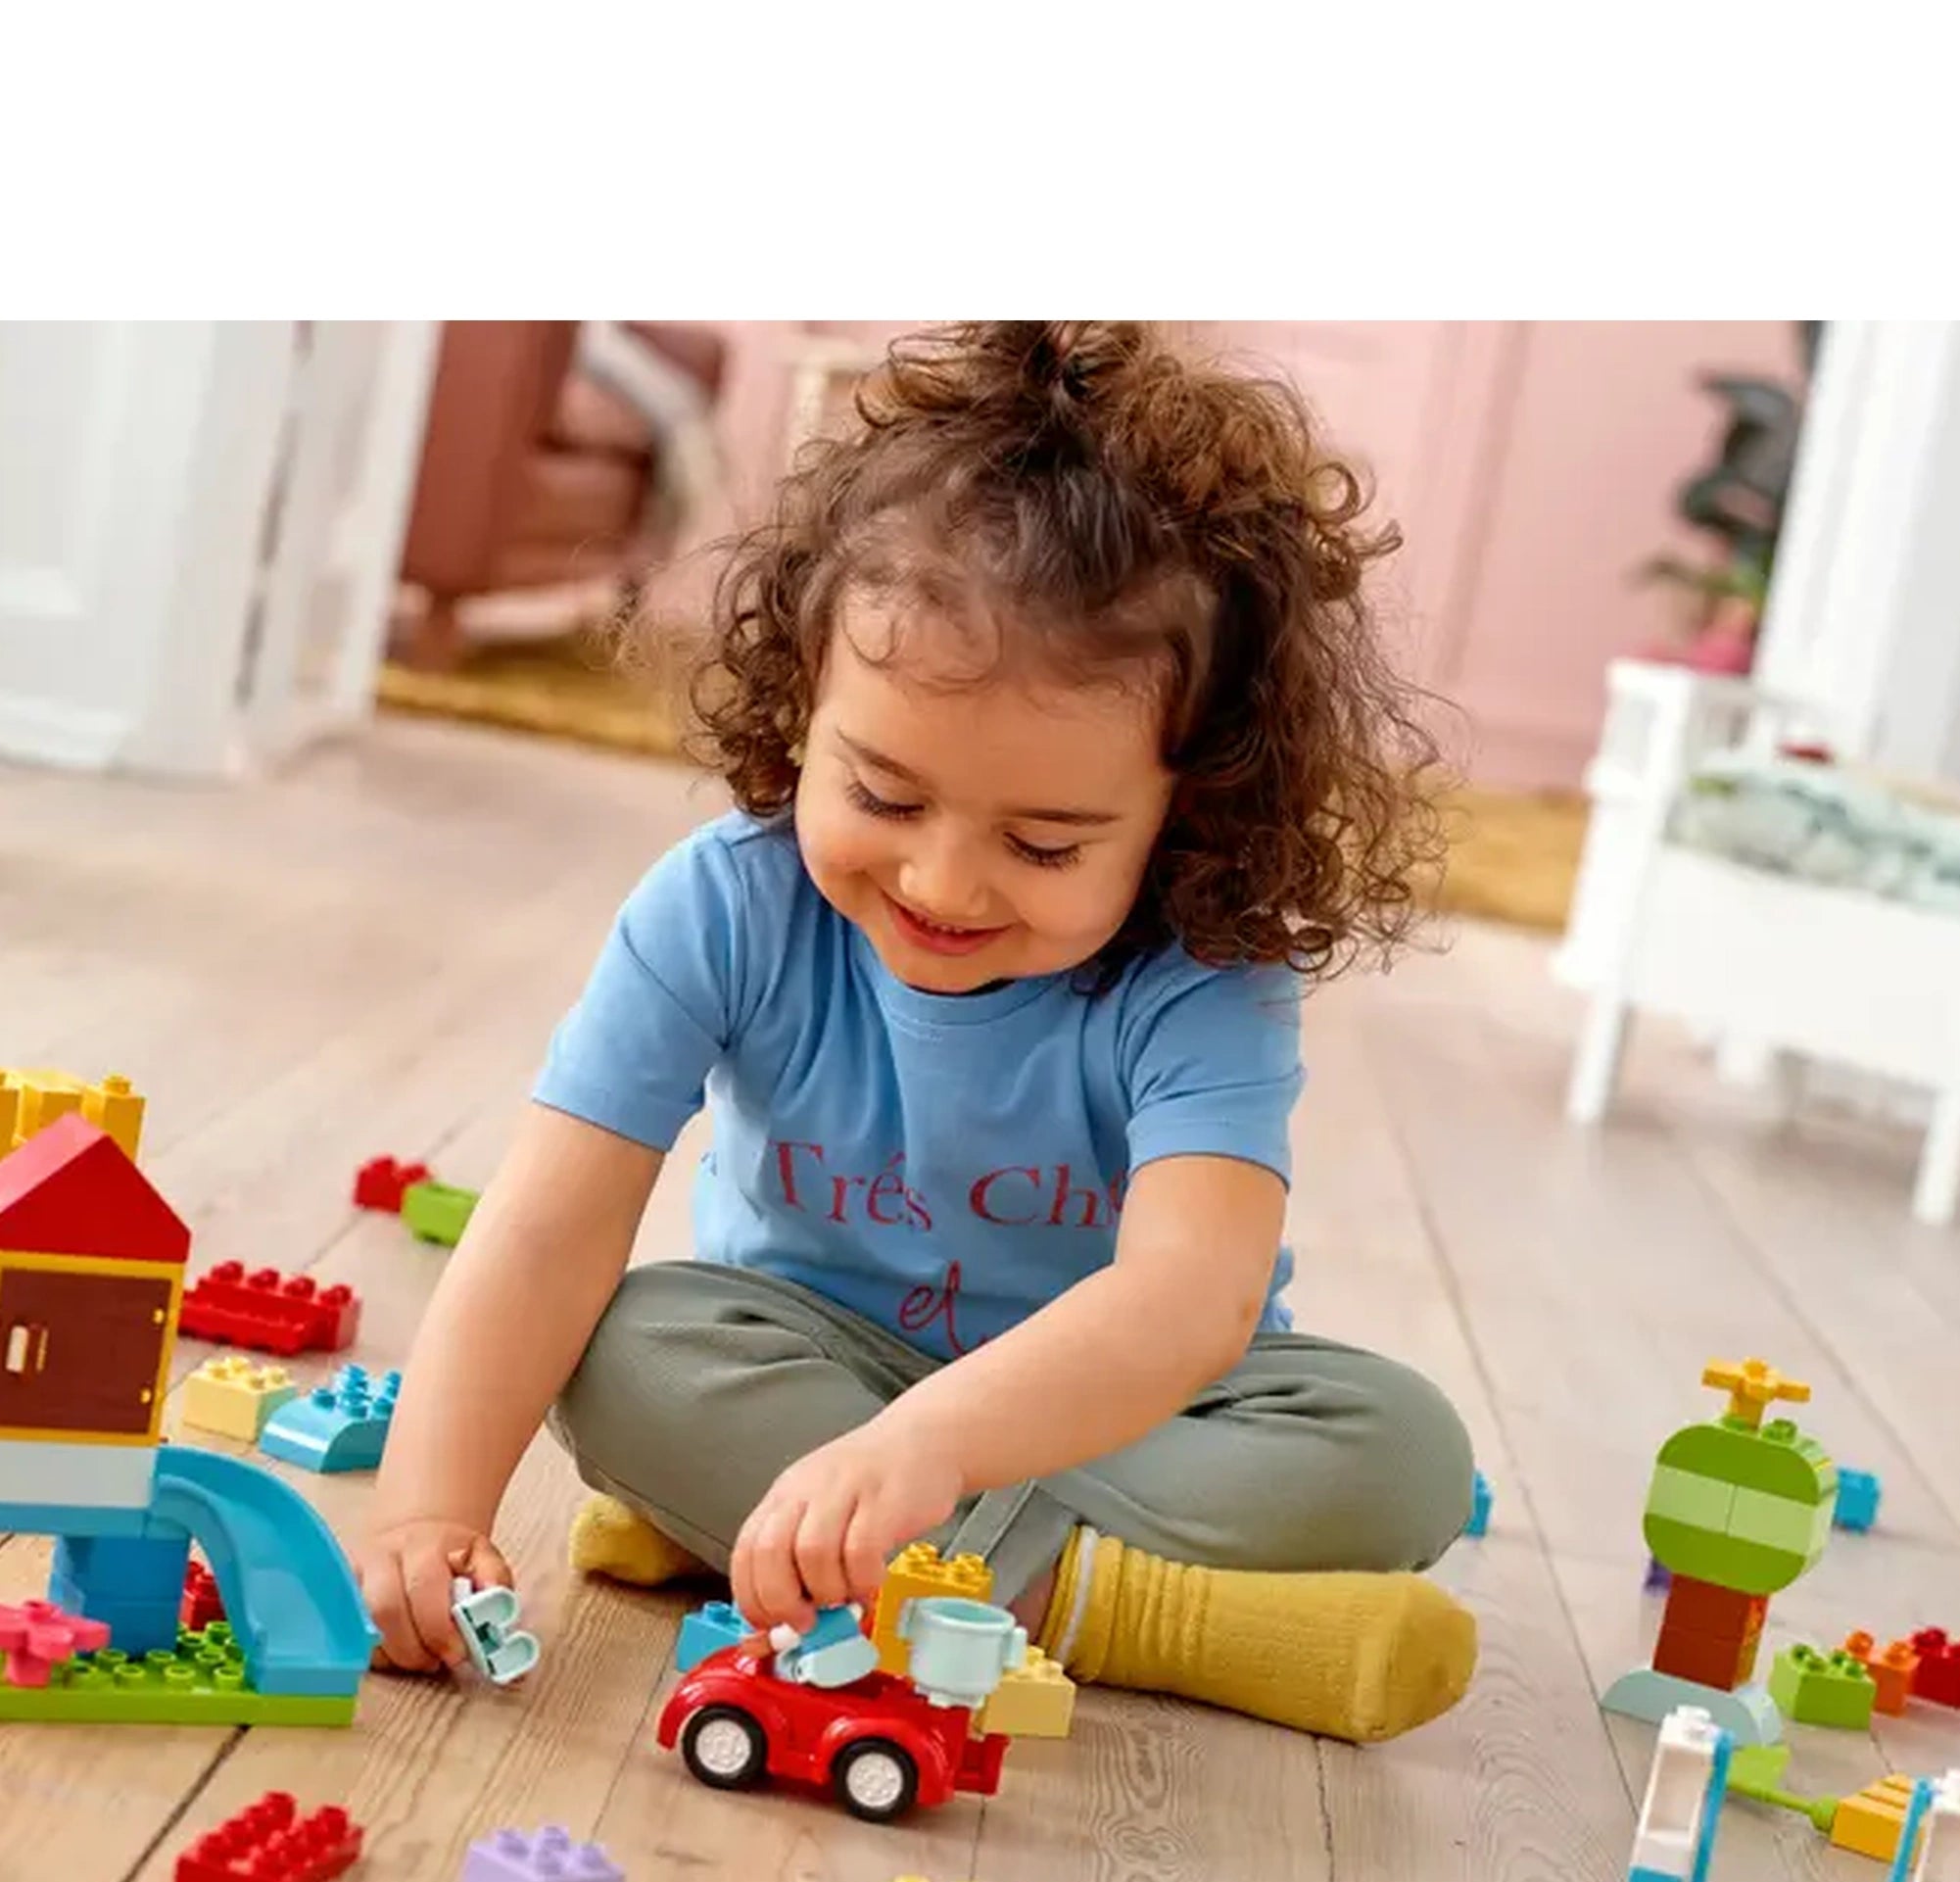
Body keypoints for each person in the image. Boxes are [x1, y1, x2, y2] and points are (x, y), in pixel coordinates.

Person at [355, 321, 1478, 1745]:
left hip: (1116, 1412)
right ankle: (1127, 1614)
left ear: (1186, 811)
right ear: (803, 704)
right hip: (812, 1355)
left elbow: (1189, 1303)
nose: (943, 886)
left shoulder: (1202, 973)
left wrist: (927, 1450)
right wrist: (429, 1511)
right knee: (632, 1348)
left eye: (1049, 842)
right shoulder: (722, 905)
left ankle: (787, 1539)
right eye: (883, 797)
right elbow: (541, 1234)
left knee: (1400, 1457)